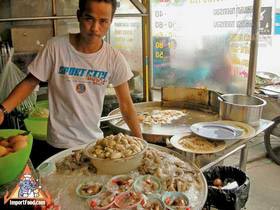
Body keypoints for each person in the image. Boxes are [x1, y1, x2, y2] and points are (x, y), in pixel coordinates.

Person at [0, 0, 142, 164]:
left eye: (103, 21)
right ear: (78, 16)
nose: (95, 28)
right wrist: (3, 109)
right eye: (89, 19)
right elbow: (30, 82)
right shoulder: (56, 47)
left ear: (111, 21)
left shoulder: (113, 58)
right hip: (58, 145)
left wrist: (141, 141)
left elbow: (126, 105)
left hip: (94, 147)